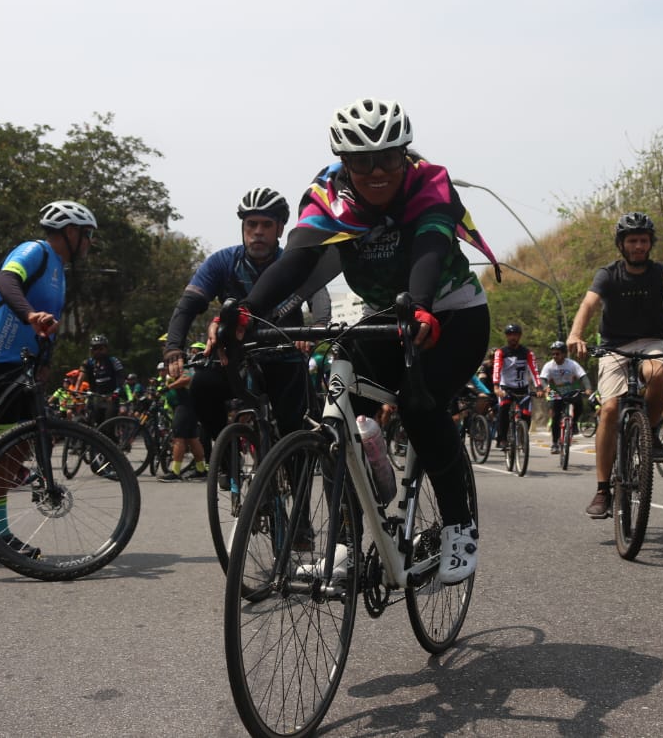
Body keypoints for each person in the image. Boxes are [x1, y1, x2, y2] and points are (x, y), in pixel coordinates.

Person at [216, 97, 498, 585]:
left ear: (404, 155)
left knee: (419, 405)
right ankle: (346, 537)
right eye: (362, 161)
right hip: (387, 316)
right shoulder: (327, 195)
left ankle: (459, 524)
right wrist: (246, 311)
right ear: (344, 162)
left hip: (452, 313)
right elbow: (296, 262)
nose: (377, 171)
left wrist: (424, 305)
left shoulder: (428, 180)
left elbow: (431, 245)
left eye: (389, 158)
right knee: (333, 403)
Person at [0, 199, 97, 558]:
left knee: (23, 444)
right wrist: (29, 315)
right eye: (87, 237)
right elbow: (5, 281)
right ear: (70, 232)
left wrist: (45, 362)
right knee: (5, 447)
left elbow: (49, 325)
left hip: (20, 364)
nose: (88, 244)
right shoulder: (34, 251)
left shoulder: (60, 271)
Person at [163, 187, 332, 455]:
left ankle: (293, 473)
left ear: (280, 229)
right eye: (251, 224)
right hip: (235, 356)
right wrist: (173, 347)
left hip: (284, 355)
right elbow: (188, 305)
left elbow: (319, 300)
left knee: (294, 438)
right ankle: (226, 453)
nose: (258, 231)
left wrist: (315, 331)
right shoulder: (222, 262)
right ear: (243, 226)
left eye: (266, 224)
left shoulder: (294, 261)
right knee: (202, 386)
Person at [567, 212, 663, 519]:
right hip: (613, 346)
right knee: (610, 409)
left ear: (650, 244)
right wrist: (575, 334)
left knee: (657, 373)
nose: (639, 246)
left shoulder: (660, 273)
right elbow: (588, 304)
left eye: (643, 241)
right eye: (632, 241)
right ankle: (602, 490)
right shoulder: (608, 274)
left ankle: (649, 434)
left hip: (652, 340)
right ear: (621, 245)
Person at [492, 324, 543, 449]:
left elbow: (534, 370)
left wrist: (539, 387)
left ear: (519, 336)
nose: (513, 337)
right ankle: (502, 438)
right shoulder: (501, 352)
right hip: (506, 388)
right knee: (503, 409)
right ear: (506, 336)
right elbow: (497, 369)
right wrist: (496, 387)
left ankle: (522, 436)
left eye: (515, 335)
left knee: (526, 414)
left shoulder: (527, 353)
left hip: (522, 389)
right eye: (510, 335)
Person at [537, 340, 593, 454]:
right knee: (555, 417)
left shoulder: (572, 364)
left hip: (570, 391)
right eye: (553, 354)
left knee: (579, 404)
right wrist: (545, 387)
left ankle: (574, 423)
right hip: (554, 391)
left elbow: (583, 376)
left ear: (564, 354)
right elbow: (542, 379)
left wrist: (588, 388)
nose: (555, 356)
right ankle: (554, 443)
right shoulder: (549, 365)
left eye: (557, 354)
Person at [157, 358, 207, 482]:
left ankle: (175, 472)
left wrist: (169, 387)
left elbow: (186, 379)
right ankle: (201, 470)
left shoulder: (182, 365)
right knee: (192, 439)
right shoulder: (177, 366)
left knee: (178, 438)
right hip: (187, 406)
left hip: (185, 406)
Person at [77, 335, 124, 425]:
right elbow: (81, 376)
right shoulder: (88, 363)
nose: (98, 351)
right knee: (94, 423)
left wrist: (117, 391)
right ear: (91, 350)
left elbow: (121, 377)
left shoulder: (113, 361)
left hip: (111, 396)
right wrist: (76, 390)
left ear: (106, 349)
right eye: (95, 348)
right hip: (96, 396)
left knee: (107, 426)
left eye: (101, 348)